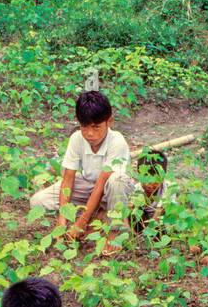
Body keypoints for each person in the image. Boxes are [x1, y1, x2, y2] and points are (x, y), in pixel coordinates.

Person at [29, 90, 137, 238]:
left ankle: (115, 229)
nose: (89, 133)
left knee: (117, 180)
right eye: (84, 126)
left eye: (96, 127)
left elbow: (101, 185)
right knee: (38, 201)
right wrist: (62, 220)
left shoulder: (117, 142)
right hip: (88, 186)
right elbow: (68, 179)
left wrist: (82, 222)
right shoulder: (77, 139)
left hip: (112, 190)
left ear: (109, 122)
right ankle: (98, 215)